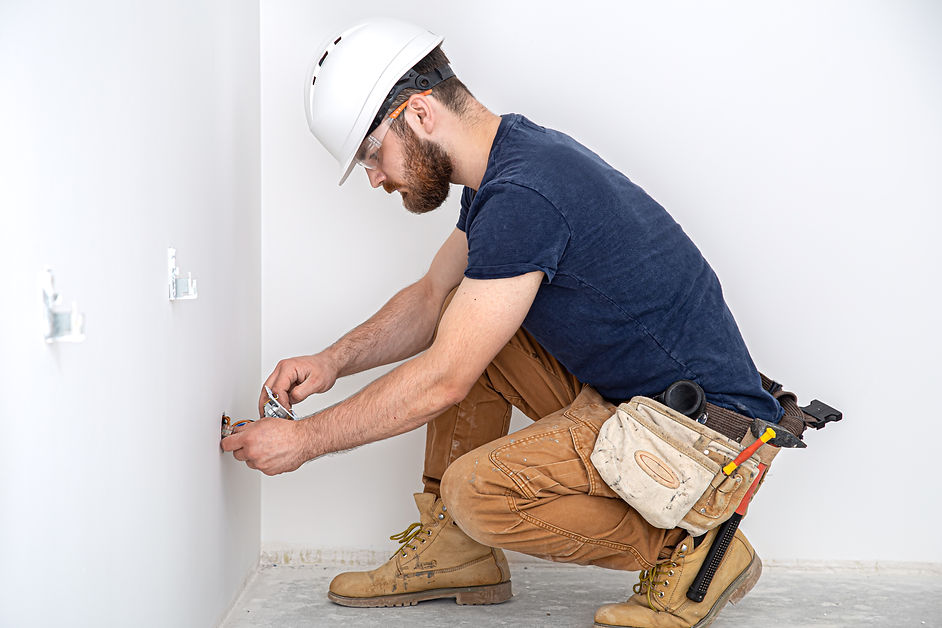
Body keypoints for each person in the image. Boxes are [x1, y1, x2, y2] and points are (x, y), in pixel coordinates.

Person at [222, 18, 791, 628]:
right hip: (634, 402)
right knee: (461, 316)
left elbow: (444, 380)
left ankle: (701, 550)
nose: (376, 178)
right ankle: (457, 553)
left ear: (417, 114)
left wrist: (304, 441)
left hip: (700, 437)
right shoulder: (505, 167)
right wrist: (331, 361)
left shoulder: (524, 193)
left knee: (477, 490)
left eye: (372, 154)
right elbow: (432, 295)